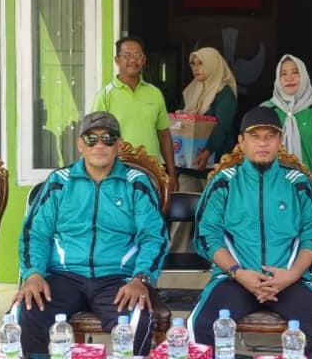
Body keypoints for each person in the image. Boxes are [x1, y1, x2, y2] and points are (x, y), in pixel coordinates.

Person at [188, 106, 312, 357]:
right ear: (241, 141)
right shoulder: (224, 181)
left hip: (287, 280)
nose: (263, 143)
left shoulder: (297, 182)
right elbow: (207, 235)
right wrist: (239, 273)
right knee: (199, 328)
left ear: (280, 141)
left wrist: (293, 273)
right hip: (234, 278)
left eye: (270, 136)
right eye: (255, 136)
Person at [16, 111, 167, 356]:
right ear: (80, 145)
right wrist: (33, 273)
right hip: (63, 276)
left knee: (137, 321)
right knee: (26, 313)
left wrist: (141, 278)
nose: (99, 145)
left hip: (118, 279)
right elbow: (36, 233)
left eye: (108, 139)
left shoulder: (136, 182)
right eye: (91, 139)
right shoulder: (59, 181)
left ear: (119, 145)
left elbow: (154, 236)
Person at [172, 47, 238, 252]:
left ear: (212, 64)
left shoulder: (224, 93)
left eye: (200, 63)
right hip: (188, 165)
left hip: (214, 165)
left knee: (214, 214)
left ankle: (216, 259)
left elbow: (222, 126)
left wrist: (208, 151)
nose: (196, 68)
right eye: (193, 64)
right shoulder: (191, 90)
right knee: (182, 213)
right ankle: (176, 256)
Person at [93, 36, 179, 191]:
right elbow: (96, 138)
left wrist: (172, 174)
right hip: (117, 173)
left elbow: (164, 135)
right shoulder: (105, 96)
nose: (133, 60)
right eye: (127, 55)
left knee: (151, 207)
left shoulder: (155, 94)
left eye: (137, 55)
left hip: (151, 173)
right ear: (117, 60)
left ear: (144, 60)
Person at [261, 54, 312, 208]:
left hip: (309, 190)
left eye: (295, 72)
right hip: (272, 190)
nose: (289, 78)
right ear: (278, 79)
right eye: (283, 74)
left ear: (304, 75)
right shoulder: (266, 110)